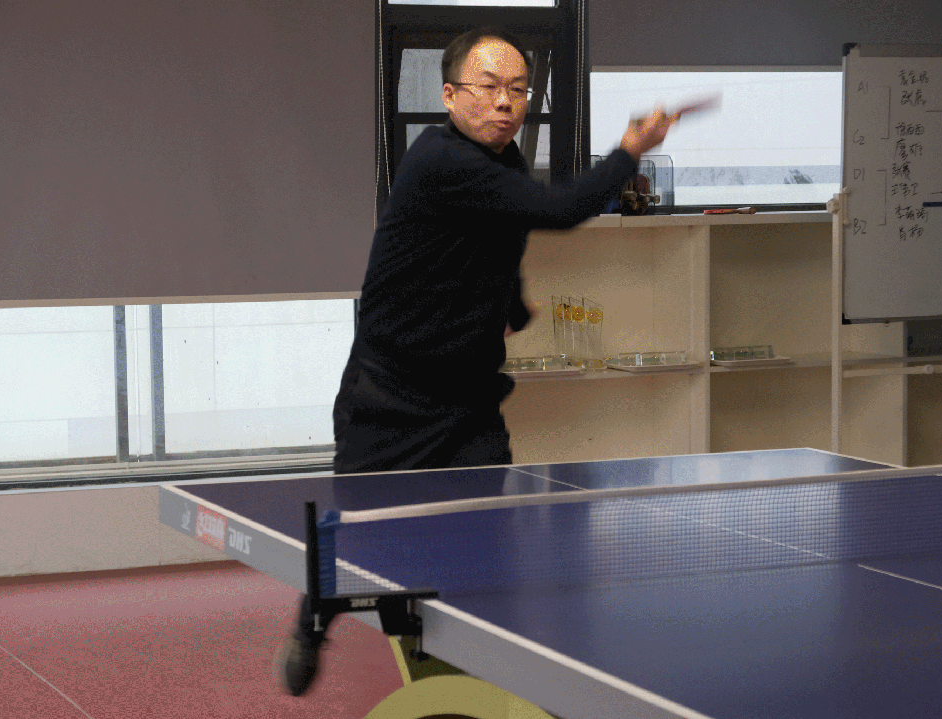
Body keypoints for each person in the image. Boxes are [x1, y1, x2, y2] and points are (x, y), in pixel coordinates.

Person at [280, 26, 673, 696]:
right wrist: (628, 150)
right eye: (489, 88)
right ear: (449, 95)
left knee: (484, 535)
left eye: (518, 90)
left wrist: (510, 302)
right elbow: (560, 209)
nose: (506, 103)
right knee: (353, 535)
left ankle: (464, 661)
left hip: (467, 400)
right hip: (389, 395)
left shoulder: (504, 162)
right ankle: (310, 621)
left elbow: (498, 237)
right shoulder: (439, 160)